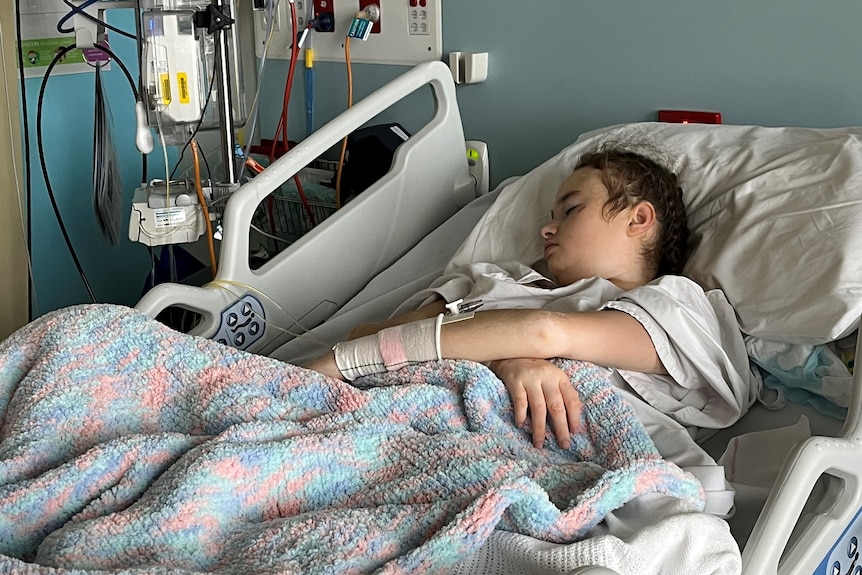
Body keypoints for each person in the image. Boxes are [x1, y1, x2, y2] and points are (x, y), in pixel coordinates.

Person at [304, 147, 755, 468]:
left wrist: (332, 367)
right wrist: (505, 358)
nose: (546, 228)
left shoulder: (672, 306)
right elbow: (367, 335)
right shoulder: (490, 281)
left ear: (638, 219)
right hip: (391, 421)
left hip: (545, 459)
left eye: (570, 210)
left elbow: (547, 334)